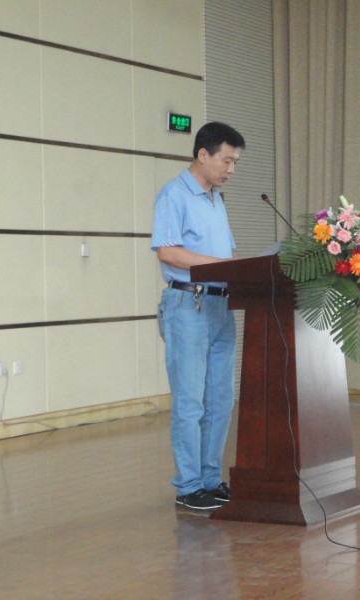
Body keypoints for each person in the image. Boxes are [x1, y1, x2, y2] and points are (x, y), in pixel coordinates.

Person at [151, 122, 245, 510]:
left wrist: (249, 268)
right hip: (188, 305)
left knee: (221, 399)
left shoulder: (216, 200)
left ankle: (210, 478)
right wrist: (223, 266)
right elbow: (168, 252)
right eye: (226, 160)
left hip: (221, 306)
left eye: (235, 162)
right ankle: (189, 485)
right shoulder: (174, 194)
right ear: (203, 155)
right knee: (191, 401)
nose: (231, 169)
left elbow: (226, 256)